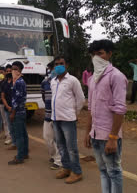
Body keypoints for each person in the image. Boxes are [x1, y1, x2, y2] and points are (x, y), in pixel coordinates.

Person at [85, 40, 127, 193]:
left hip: (109, 136)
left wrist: (113, 138)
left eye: (100, 53)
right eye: (94, 54)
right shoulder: (92, 79)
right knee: (103, 171)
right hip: (95, 134)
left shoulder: (116, 77)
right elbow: (91, 108)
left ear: (109, 54)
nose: (96, 58)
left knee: (114, 172)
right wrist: (88, 132)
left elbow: (120, 109)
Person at [51, 55, 85, 184]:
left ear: (66, 65)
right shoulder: (53, 81)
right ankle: (66, 168)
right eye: (57, 64)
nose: (59, 66)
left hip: (68, 119)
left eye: (62, 63)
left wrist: (75, 113)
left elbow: (81, 99)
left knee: (71, 147)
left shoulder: (73, 80)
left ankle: (77, 172)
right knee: (61, 145)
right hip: (55, 118)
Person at [41, 61, 62, 170]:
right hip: (48, 115)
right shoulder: (44, 82)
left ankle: (58, 161)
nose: (51, 71)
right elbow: (44, 97)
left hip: (59, 116)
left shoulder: (62, 82)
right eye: (50, 69)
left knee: (58, 139)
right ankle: (54, 156)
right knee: (47, 138)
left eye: (53, 68)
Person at [8, 61, 28, 165]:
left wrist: (12, 113)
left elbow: (17, 99)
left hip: (18, 112)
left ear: (20, 70)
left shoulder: (19, 82)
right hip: (21, 111)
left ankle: (20, 157)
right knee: (23, 133)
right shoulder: (19, 81)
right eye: (12, 68)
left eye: (15, 69)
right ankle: (24, 153)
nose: (13, 71)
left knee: (19, 135)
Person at [1, 64, 16, 150]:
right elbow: (3, 97)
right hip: (7, 109)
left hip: (15, 109)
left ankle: (19, 143)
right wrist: (7, 106)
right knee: (10, 126)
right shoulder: (4, 84)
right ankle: (14, 143)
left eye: (10, 71)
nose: (9, 72)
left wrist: (13, 108)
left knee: (16, 126)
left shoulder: (16, 82)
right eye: (7, 71)